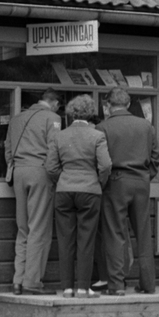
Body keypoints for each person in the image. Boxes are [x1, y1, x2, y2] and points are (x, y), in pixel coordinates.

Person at [45, 94, 112, 297]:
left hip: (64, 189)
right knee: (86, 240)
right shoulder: (97, 136)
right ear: (90, 113)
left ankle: (67, 287)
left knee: (65, 240)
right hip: (90, 190)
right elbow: (105, 165)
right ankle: (83, 287)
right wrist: (99, 181)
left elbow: (50, 167)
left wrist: (63, 178)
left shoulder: (59, 136)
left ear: (71, 113)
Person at [98, 87, 159, 295]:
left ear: (108, 105)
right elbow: (156, 156)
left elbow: (101, 161)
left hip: (115, 181)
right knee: (143, 234)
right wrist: (146, 176)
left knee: (115, 233)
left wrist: (104, 181)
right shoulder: (146, 126)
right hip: (141, 180)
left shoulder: (102, 127)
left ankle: (116, 285)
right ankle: (148, 284)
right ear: (128, 103)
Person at [7, 89, 63, 295]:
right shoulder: (53, 118)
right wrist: (54, 175)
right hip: (40, 172)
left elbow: (8, 149)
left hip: (18, 171)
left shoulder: (16, 119)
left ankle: (18, 280)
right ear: (55, 103)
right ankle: (32, 281)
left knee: (23, 228)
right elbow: (54, 150)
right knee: (39, 228)